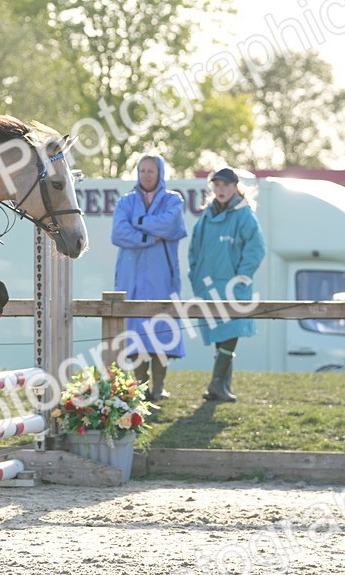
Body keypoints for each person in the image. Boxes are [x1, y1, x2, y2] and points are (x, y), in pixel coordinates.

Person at [110, 154, 187, 408]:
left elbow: (170, 224)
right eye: (142, 170)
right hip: (131, 276)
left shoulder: (173, 200)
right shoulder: (126, 201)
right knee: (136, 332)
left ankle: (159, 387)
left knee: (161, 329)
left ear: (160, 173)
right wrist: (146, 237)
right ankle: (140, 386)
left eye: (151, 171)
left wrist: (140, 222)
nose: (146, 175)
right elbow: (119, 233)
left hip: (161, 275)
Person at [188, 167, 267, 403]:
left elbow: (256, 248)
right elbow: (194, 249)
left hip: (234, 286)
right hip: (208, 286)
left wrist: (243, 275)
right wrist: (195, 275)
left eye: (225, 185)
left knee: (231, 334)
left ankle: (216, 384)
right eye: (217, 185)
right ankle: (221, 388)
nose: (220, 190)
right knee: (222, 338)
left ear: (235, 187)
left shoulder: (244, 214)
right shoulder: (206, 215)